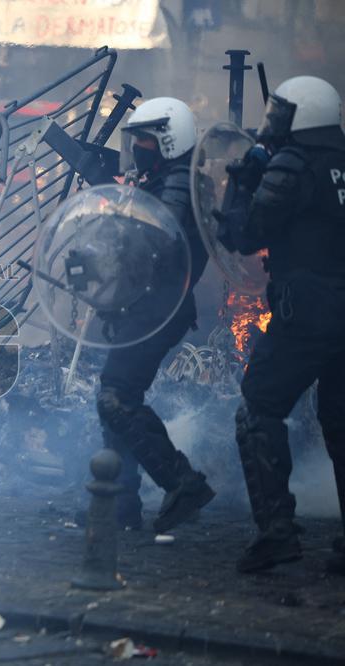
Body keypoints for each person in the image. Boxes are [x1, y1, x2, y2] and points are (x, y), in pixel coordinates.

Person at [221, 76, 345, 573]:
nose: (273, 120)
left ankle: (277, 533)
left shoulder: (292, 163)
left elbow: (247, 235)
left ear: (304, 116)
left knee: (258, 407)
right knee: (340, 421)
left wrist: (242, 182)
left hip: (308, 310)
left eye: (281, 112)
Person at [95, 97, 215, 533]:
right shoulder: (165, 179)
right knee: (117, 398)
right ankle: (119, 505)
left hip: (160, 308)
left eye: (145, 140)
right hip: (146, 305)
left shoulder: (179, 184)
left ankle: (182, 482)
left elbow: (158, 242)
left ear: (169, 139)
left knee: (116, 398)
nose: (138, 148)